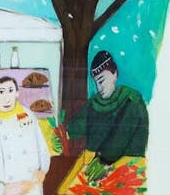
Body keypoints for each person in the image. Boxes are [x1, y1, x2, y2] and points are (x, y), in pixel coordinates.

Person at [59, 49, 149, 182]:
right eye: (96, 82)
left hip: (128, 169)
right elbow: (76, 127)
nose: (99, 87)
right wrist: (60, 134)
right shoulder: (94, 103)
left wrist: (103, 161)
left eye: (101, 80)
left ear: (115, 74)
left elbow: (120, 137)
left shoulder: (132, 101)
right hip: (93, 168)